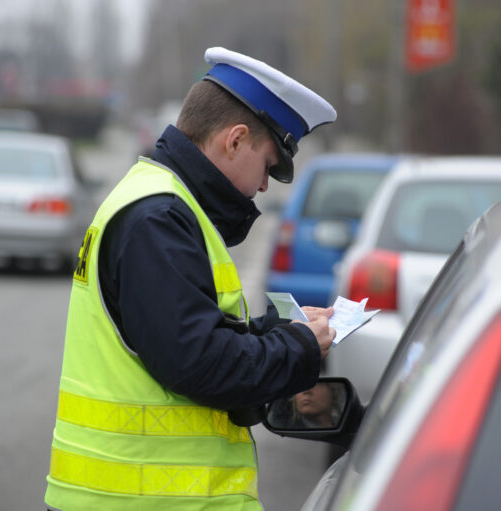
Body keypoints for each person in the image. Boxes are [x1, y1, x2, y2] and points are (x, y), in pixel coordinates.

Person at [44, 47, 337, 511]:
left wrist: (279, 332)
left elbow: (187, 336)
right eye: (268, 166)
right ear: (235, 140)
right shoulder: (158, 218)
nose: (264, 186)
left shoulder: (160, 204)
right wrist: (298, 348)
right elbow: (201, 363)